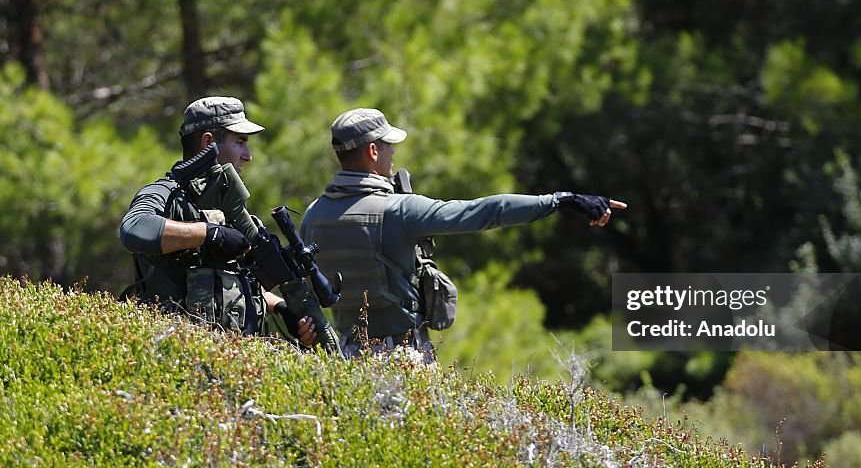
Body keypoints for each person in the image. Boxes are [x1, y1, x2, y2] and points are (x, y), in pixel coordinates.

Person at [300, 107, 627, 360]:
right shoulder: (399, 210)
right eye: (388, 146)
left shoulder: (314, 214)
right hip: (401, 357)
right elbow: (485, 212)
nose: (393, 154)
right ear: (373, 151)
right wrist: (560, 200)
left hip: (345, 358)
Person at [119, 96, 315, 346]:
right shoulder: (167, 195)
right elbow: (133, 229)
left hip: (237, 362)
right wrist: (209, 233)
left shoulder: (229, 206)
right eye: (240, 142)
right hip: (176, 355)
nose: (248, 156)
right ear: (208, 142)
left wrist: (280, 307)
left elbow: (230, 281)